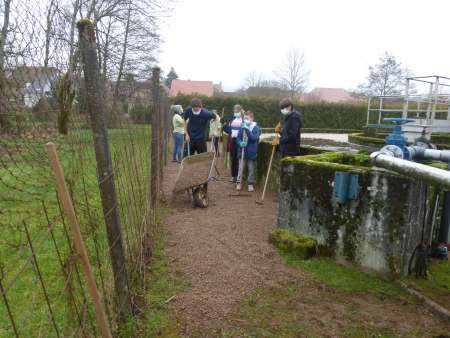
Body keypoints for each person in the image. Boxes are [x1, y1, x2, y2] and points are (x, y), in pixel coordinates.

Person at [236, 111, 260, 192]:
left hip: (251, 152)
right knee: (240, 168)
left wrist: (247, 130)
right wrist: (240, 142)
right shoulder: (242, 127)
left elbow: (254, 138)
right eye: (245, 118)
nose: (246, 120)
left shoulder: (256, 128)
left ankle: (250, 184)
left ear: (252, 119)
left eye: (247, 118)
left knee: (251, 169)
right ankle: (239, 182)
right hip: (242, 151)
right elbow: (238, 138)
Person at [223, 104, 244, 183]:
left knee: (238, 159)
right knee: (233, 159)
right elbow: (229, 131)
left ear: (240, 111)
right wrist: (224, 125)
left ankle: (239, 177)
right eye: (234, 111)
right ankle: (233, 176)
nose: (235, 112)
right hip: (232, 142)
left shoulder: (243, 120)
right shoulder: (233, 120)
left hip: (239, 142)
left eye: (236, 111)